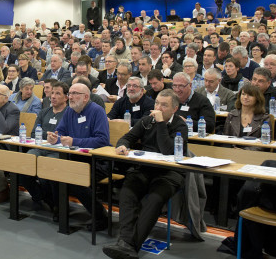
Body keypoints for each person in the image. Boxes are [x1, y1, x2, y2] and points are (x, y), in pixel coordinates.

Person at [102, 89, 187, 259]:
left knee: (154, 200)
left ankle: (131, 245)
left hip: (169, 173)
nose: (158, 108)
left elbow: (167, 150)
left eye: (164, 105)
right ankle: (125, 242)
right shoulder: (147, 120)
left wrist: (161, 123)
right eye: (157, 103)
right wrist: (123, 145)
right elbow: (127, 137)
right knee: (127, 193)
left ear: (175, 109)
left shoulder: (180, 125)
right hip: (145, 169)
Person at [46, 83, 110, 231]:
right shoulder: (70, 111)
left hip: (96, 160)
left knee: (75, 180)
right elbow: (60, 131)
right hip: (74, 158)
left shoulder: (97, 111)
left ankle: (101, 217)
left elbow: (102, 141)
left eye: (75, 93)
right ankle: (61, 209)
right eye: (70, 93)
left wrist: (75, 141)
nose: (71, 96)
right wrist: (55, 138)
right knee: (54, 171)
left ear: (86, 97)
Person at [19, 81, 69, 212]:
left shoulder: (70, 113)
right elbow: (34, 133)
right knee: (22, 166)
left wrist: (57, 140)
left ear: (66, 97)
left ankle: (58, 205)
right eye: (52, 93)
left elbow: (71, 136)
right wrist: (46, 137)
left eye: (57, 93)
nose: (53, 96)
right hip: (40, 148)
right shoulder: (44, 112)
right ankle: (41, 197)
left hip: (59, 151)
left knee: (48, 169)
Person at [223, 84, 269, 150]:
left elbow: (265, 143)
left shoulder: (264, 118)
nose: (245, 97)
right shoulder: (232, 115)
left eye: (250, 95)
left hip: (254, 154)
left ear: (257, 98)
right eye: (243, 94)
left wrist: (244, 151)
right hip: (232, 151)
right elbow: (225, 138)